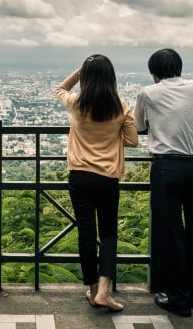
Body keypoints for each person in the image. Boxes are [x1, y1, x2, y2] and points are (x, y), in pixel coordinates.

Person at [132, 48, 193, 317]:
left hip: (168, 167)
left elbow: (139, 127)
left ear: (153, 73)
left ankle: (177, 297)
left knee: (170, 233)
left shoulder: (148, 93)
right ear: (179, 67)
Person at [57, 54, 138, 312]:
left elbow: (60, 88)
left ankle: (92, 291)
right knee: (109, 233)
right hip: (107, 178)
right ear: (111, 77)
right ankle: (105, 291)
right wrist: (112, 138)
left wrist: (80, 71)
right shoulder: (121, 106)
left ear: (88, 77)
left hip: (80, 176)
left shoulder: (77, 103)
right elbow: (133, 140)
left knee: (86, 235)